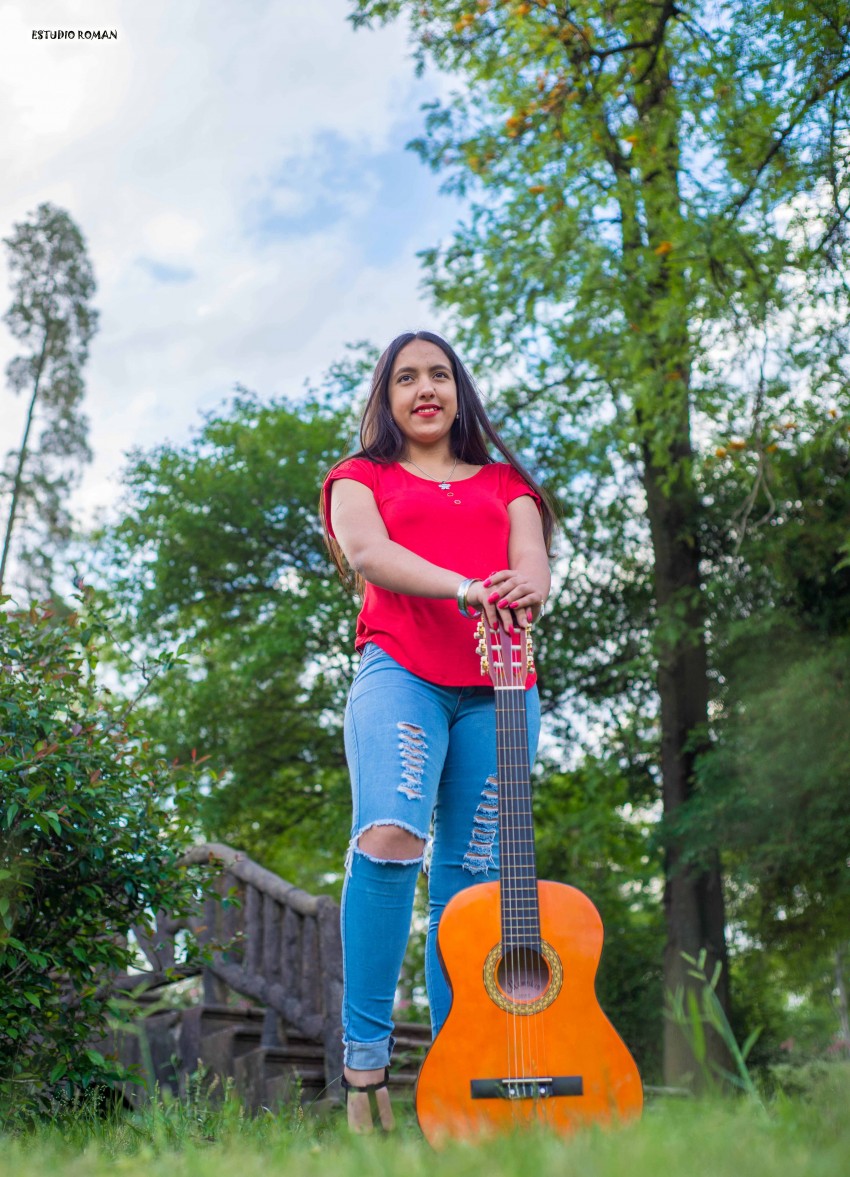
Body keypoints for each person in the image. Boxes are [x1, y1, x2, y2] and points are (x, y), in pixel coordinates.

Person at [321, 330, 555, 1133]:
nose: (426, 388)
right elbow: (367, 551)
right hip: (404, 672)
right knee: (389, 835)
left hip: (502, 688)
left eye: (440, 375)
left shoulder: (506, 483)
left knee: (475, 890)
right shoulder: (362, 476)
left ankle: (461, 1075)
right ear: (385, 397)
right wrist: (464, 587)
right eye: (406, 377)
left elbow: (534, 569)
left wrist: (522, 588)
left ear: (461, 391)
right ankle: (364, 1066)